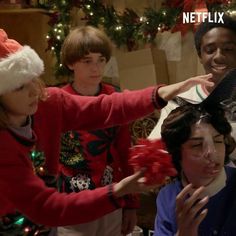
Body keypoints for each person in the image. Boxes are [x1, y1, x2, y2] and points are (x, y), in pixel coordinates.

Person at [0, 29, 213, 235]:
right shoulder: (5, 146)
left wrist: (164, 92)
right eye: (19, 87)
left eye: (32, 81)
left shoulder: (48, 102)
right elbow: (48, 207)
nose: (34, 91)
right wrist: (118, 190)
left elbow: (105, 108)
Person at [57, 26, 137, 236]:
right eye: (87, 61)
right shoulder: (57, 101)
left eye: (101, 59)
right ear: (71, 63)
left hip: (110, 199)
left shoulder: (115, 99)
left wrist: (130, 204)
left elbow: (125, 152)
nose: (96, 68)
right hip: (71, 203)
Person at [149, 14, 236, 163]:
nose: (219, 56)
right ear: (200, 55)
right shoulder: (180, 101)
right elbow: (154, 152)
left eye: (228, 49)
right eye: (210, 50)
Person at [154, 102, 236, 236]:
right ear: (177, 153)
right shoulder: (168, 196)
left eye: (218, 141)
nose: (212, 152)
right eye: (197, 145)